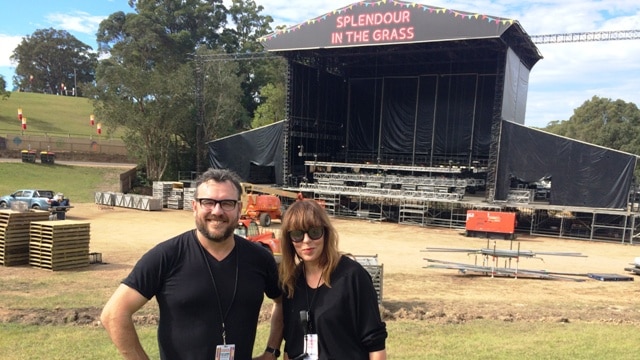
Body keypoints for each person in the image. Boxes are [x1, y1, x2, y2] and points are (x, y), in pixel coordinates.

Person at [100, 168, 283, 360]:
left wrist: (272, 351)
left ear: (239, 208)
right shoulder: (166, 256)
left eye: (227, 203)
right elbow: (114, 314)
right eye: (208, 202)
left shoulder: (260, 259)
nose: (217, 211)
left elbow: (283, 303)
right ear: (194, 206)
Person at [277, 199, 387, 359]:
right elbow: (291, 345)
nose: (306, 240)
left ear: (326, 233)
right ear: (289, 240)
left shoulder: (353, 276)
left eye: (314, 232)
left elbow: (376, 345)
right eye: (297, 234)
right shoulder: (290, 282)